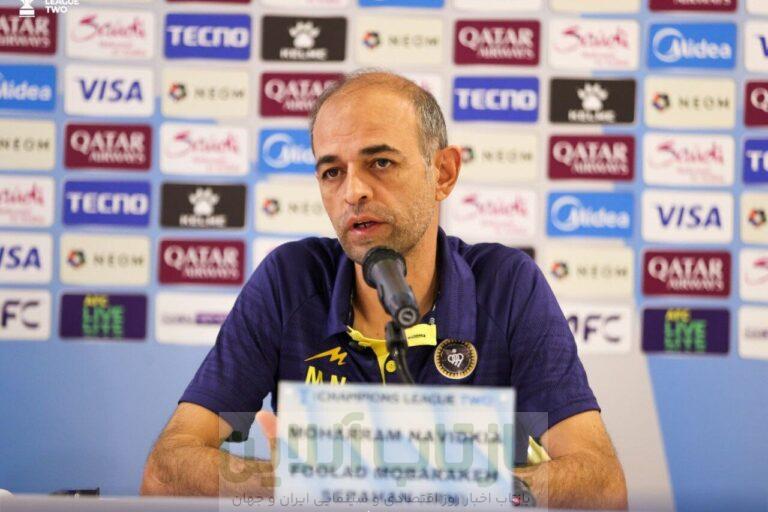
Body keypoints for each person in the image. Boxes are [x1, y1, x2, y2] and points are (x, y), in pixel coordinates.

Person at [140, 70, 627, 509]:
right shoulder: (290, 280)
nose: (353, 191)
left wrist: (473, 487)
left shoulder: (506, 285)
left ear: (443, 173)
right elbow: (165, 471)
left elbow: (603, 486)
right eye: (332, 171)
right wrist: (308, 482)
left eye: (380, 163)